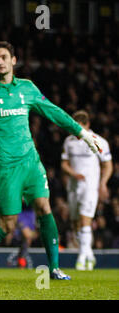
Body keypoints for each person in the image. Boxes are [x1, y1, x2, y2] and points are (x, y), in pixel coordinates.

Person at [0, 41, 102, 281]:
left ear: (14, 60)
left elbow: (53, 111)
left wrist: (81, 133)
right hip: (4, 168)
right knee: (7, 225)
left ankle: (54, 268)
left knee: (44, 208)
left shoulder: (27, 88)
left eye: (3, 57)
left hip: (31, 162)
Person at [61, 110, 113, 270]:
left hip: (90, 186)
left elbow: (107, 165)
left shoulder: (99, 141)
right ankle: (88, 253)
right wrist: (73, 174)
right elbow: (63, 164)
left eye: (80, 128)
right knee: (76, 223)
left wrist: (103, 183)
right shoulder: (69, 141)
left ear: (87, 125)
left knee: (85, 219)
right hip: (73, 187)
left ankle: (82, 259)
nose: (77, 132)